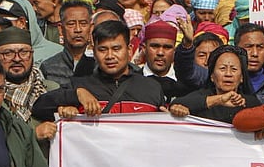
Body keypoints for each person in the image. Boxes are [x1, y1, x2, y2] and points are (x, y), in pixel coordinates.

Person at [31, 20, 165, 119]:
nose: (110, 56)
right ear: (94, 52)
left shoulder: (152, 88)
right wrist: (76, 95)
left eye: (116, 49)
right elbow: (39, 107)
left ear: (129, 50)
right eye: (102, 50)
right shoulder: (79, 85)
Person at [169, 45, 261, 123]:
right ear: (212, 76)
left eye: (234, 69)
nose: (228, 74)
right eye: (222, 68)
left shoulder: (251, 103)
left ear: (242, 78)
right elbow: (176, 103)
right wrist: (219, 100)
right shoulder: (200, 97)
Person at [40, 0, 94, 89]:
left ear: (91, 28)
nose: (78, 30)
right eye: (71, 24)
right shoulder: (48, 67)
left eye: (83, 24)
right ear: (61, 29)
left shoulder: (99, 66)